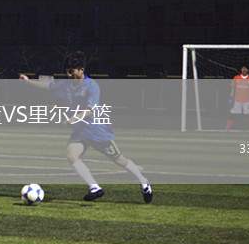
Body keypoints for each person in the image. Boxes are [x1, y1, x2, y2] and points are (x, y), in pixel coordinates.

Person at [20, 51, 153, 203]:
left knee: (119, 160)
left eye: (72, 71)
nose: (69, 74)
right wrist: (28, 81)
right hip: (80, 132)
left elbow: (90, 110)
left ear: (81, 70)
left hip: (98, 131)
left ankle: (144, 183)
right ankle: (94, 187)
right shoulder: (65, 84)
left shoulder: (92, 86)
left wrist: (73, 118)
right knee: (72, 155)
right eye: (67, 71)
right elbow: (48, 85)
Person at [226, 65, 249, 131]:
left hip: (248, 101)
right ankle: (227, 129)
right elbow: (232, 89)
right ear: (241, 70)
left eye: (245, 68)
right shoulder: (236, 78)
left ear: (248, 70)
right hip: (237, 101)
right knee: (232, 114)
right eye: (243, 68)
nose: (244, 70)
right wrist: (231, 98)